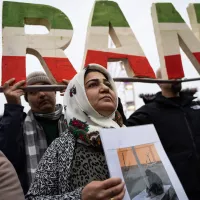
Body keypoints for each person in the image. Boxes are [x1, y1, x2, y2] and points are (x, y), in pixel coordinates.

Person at [26, 64, 125, 200]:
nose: (105, 88)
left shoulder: (130, 136)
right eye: (93, 85)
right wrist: (79, 197)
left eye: (108, 84)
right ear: (78, 95)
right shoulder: (61, 147)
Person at [126, 69, 200, 199]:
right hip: (183, 191)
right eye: (169, 73)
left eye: (176, 71)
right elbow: (120, 132)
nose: (175, 76)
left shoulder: (196, 106)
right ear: (158, 82)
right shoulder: (147, 113)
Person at [0, 72, 68, 194]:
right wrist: (13, 108)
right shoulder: (18, 125)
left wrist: (78, 99)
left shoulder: (73, 121)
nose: (41, 94)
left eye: (45, 88)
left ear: (55, 92)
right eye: (33, 92)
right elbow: (9, 157)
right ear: (27, 100)